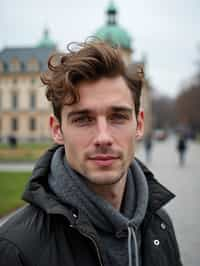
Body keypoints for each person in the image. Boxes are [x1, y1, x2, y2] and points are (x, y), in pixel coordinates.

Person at [0, 41, 182, 266]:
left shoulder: (160, 224)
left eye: (118, 117)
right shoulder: (14, 249)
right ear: (57, 130)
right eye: (83, 119)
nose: (103, 138)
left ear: (139, 124)